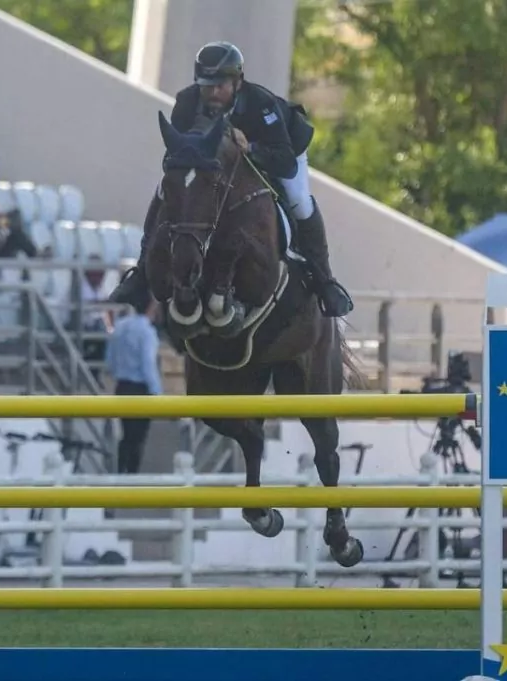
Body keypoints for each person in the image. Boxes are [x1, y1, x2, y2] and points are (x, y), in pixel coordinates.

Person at [109, 41, 354, 319]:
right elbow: (174, 159)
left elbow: (284, 162)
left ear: (237, 81)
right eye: (206, 85)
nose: (212, 93)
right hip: (217, 163)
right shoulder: (187, 102)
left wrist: (251, 148)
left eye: (220, 86)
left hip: (279, 150)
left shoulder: (261, 104)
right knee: (164, 191)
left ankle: (325, 281)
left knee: (299, 202)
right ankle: (140, 273)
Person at [104, 294, 162, 474]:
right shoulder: (147, 332)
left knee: (126, 435)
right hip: (140, 388)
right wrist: (158, 394)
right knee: (138, 438)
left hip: (122, 386)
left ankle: (120, 473)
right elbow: (148, 365)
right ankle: (132, 476)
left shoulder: (120, 326)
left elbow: (110, 360)